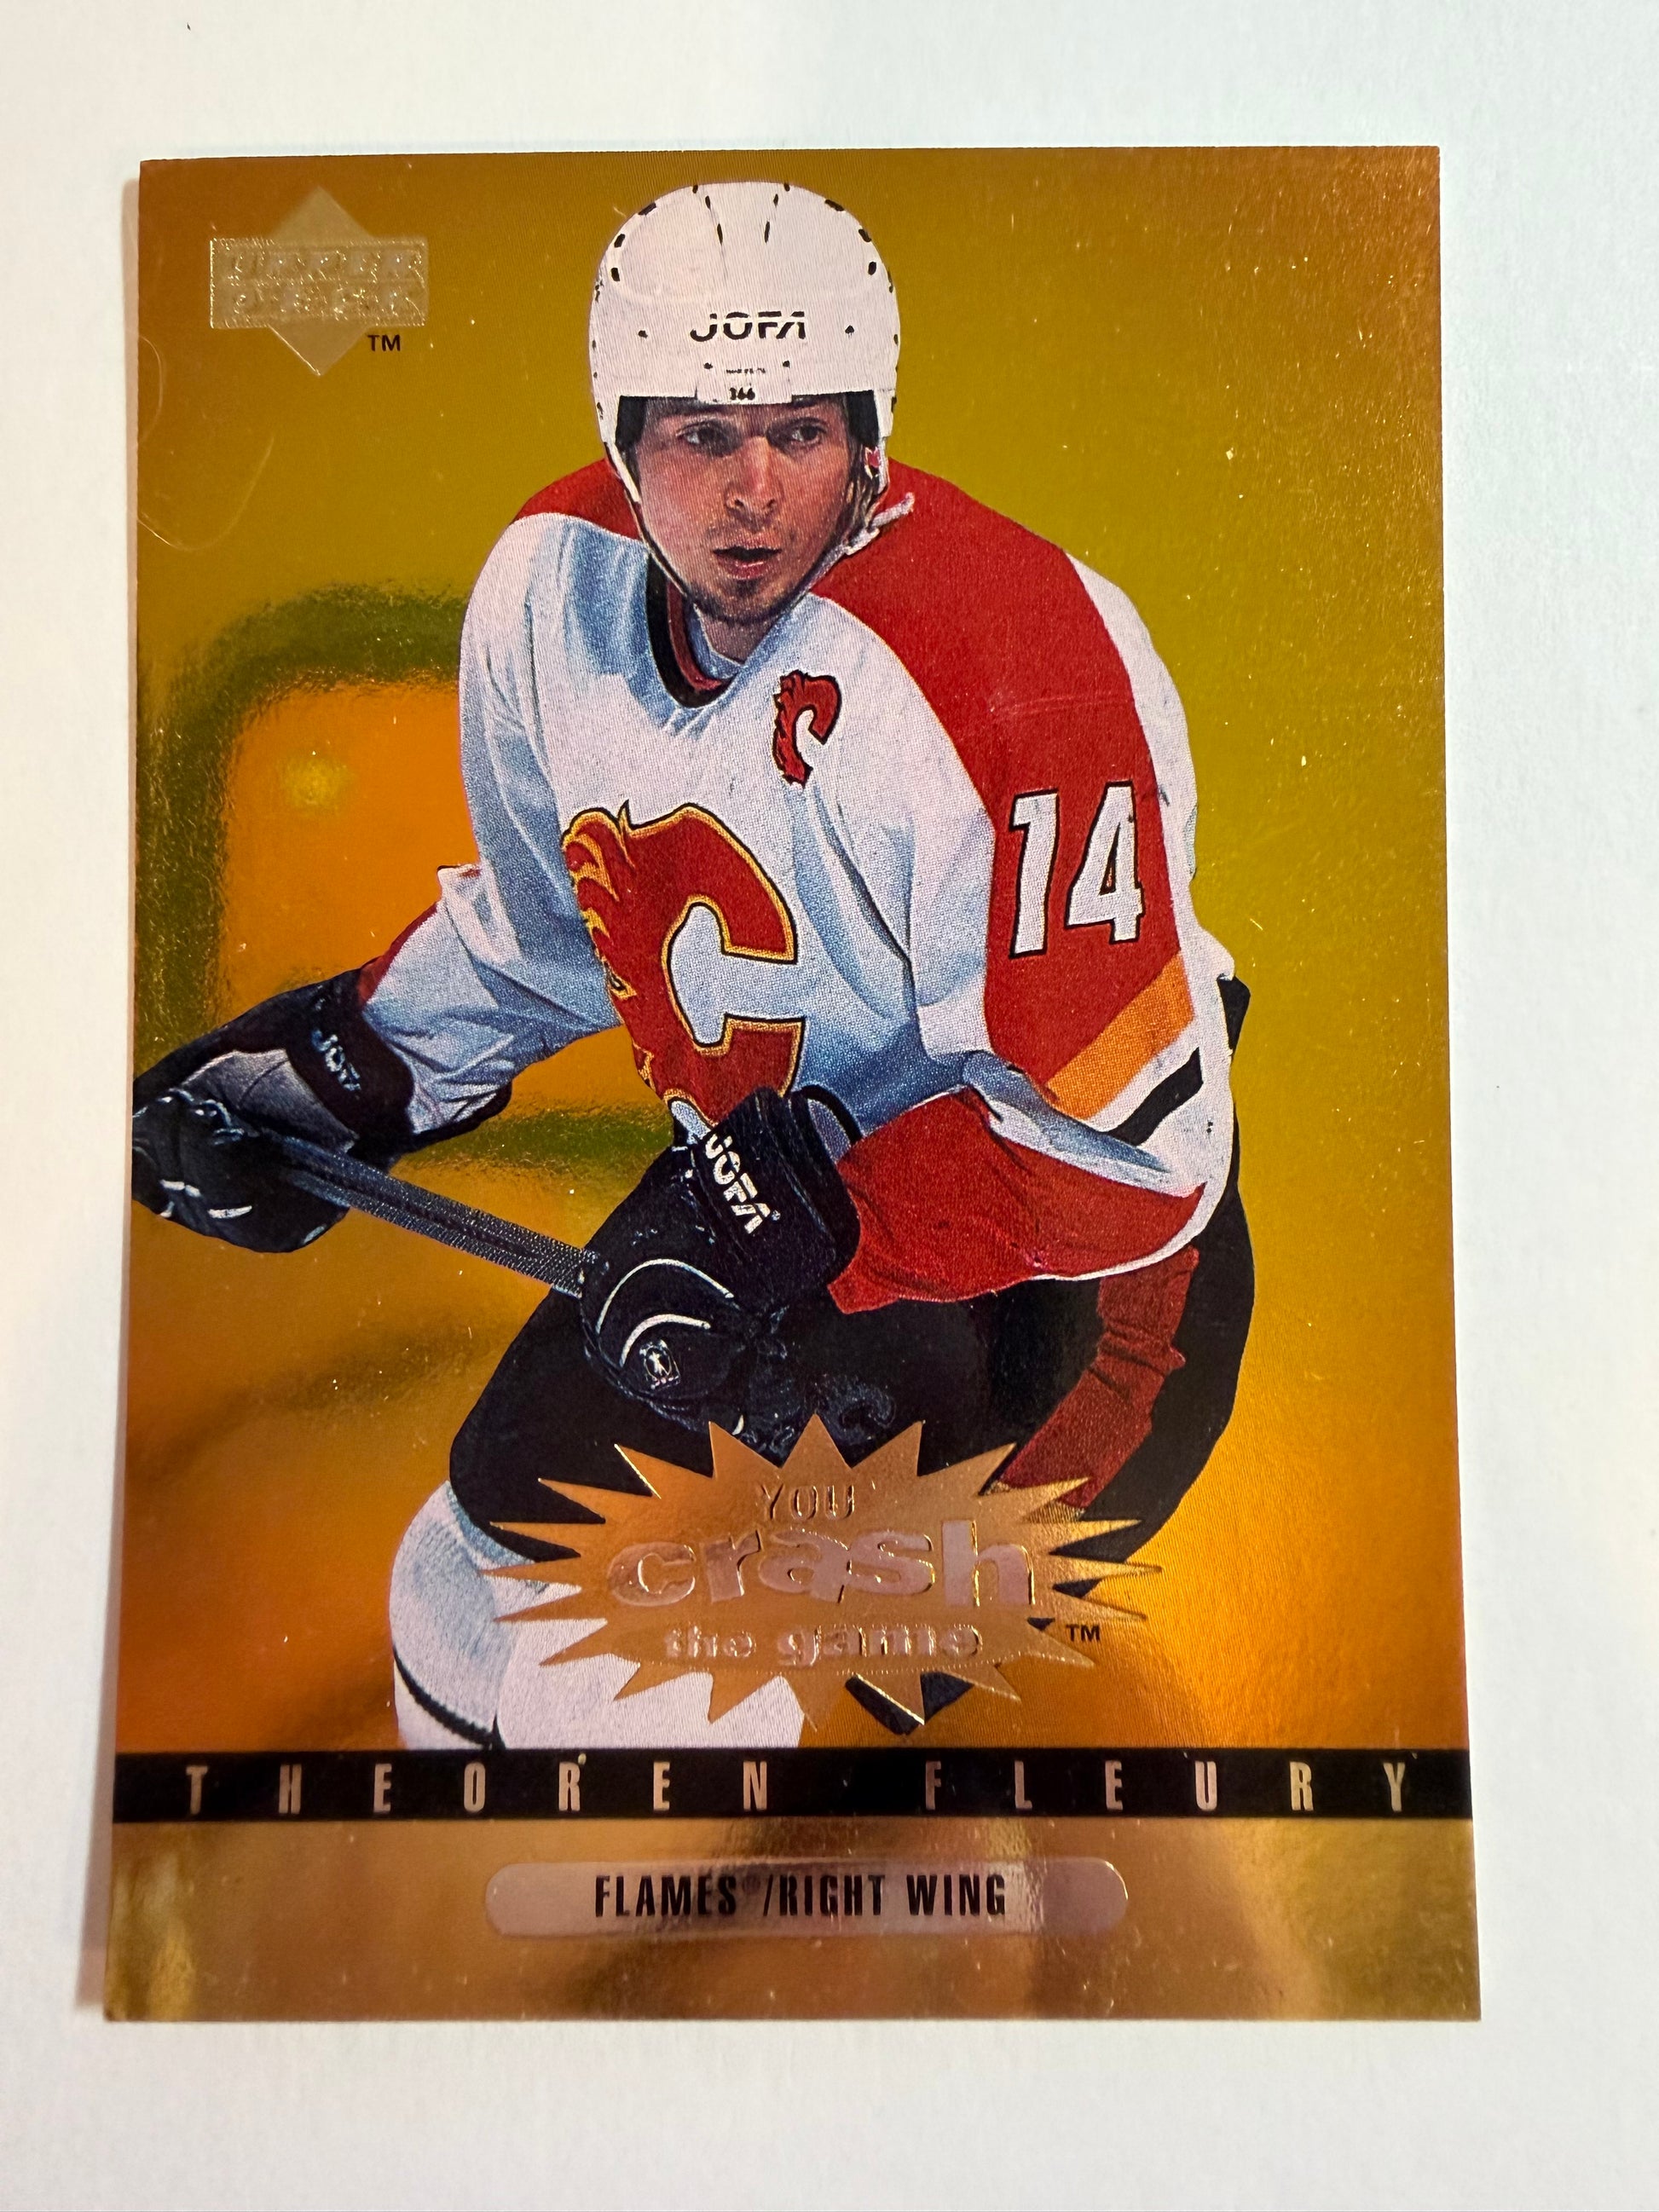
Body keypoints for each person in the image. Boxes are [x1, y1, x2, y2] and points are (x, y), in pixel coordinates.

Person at [132, 180, 1253, 1749]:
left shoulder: (1007, 660)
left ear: (871, 434)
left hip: (1054, 1292)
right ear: (619, 439)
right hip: (770, 1217)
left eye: (799, 432)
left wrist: (803, 1225)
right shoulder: (551, 586)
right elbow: (553, 939)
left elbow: (1131, 1166)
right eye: (699, 435)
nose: (751, 495)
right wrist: (325, 1084)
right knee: (462, 1597)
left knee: (631, 1689)